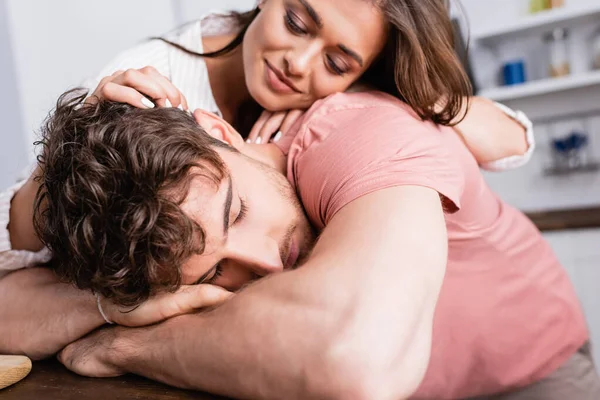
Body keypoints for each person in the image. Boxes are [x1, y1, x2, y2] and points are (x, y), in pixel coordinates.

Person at [3, 89, 597, 399]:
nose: (263, 263)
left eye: (237, 214)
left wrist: (121, 349)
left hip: (536, 380)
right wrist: (114, 304)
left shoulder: (359, 135)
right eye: (213, 275)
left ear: (217, 132)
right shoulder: (155, 237)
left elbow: (356, 363)